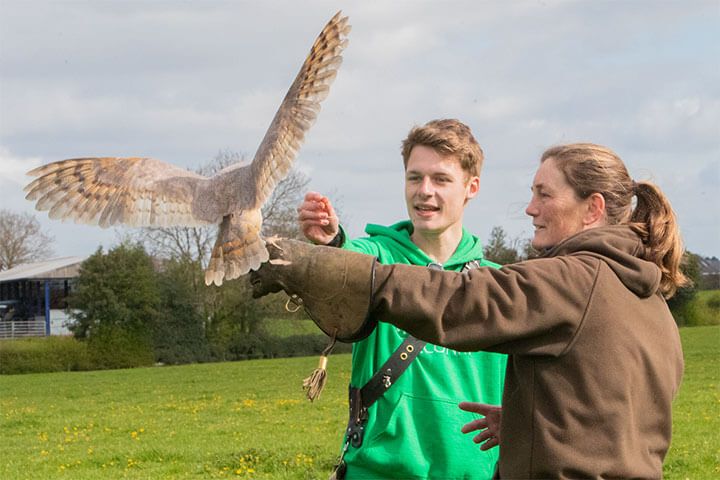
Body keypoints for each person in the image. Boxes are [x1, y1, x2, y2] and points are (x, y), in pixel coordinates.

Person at [251, 142, 686, 478]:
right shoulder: (648, 298)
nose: (530, 208)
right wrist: (527, 423)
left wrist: (346, 274)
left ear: (592, 208)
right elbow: (614, 415)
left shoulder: (574, 279)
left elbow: (460, 301)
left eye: (543, 194)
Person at [297, 119, 507, 479]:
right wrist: (332, 241)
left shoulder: (498, 284)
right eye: (414, 177)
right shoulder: (376, 256)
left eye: (441, 179)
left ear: (471, 187)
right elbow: (347, 263)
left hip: (473, 472)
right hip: (379, 470)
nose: (425, 191)